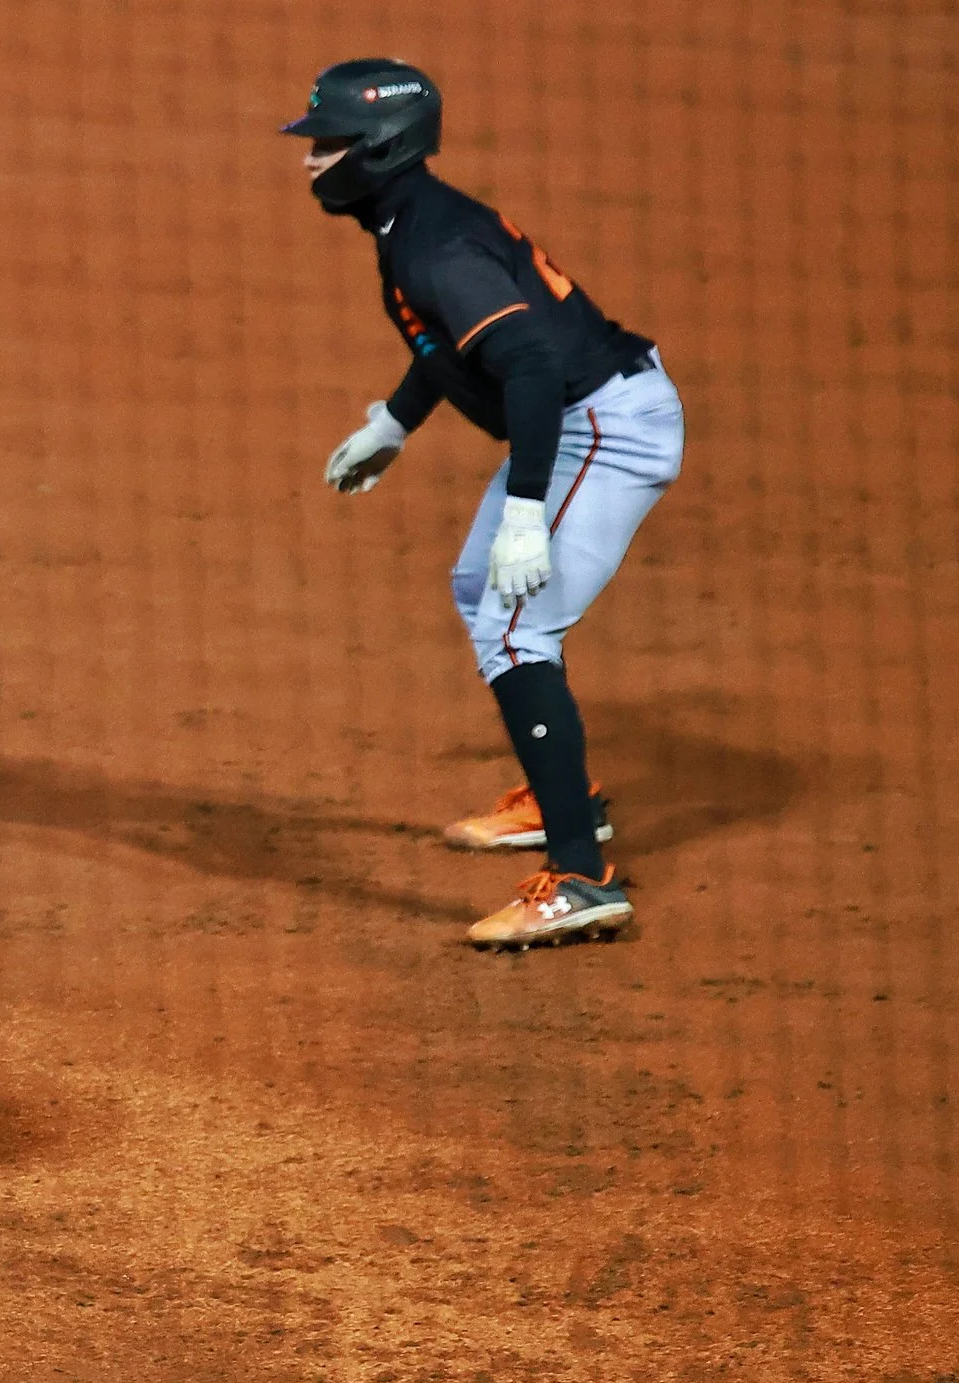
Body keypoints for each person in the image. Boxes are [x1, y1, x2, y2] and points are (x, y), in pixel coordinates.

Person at [285, 59, 685, 949]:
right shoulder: (412, 219)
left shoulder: (433, 245)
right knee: (483, 593)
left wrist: (525, 510)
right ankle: (559, 800)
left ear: (379, 148)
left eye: (327, 145)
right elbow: (454, 345)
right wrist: (396, 420)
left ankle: (581, 876)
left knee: (515, 626)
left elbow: (532, 365)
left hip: (601, 428)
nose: (310, 162)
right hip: (582, 414)